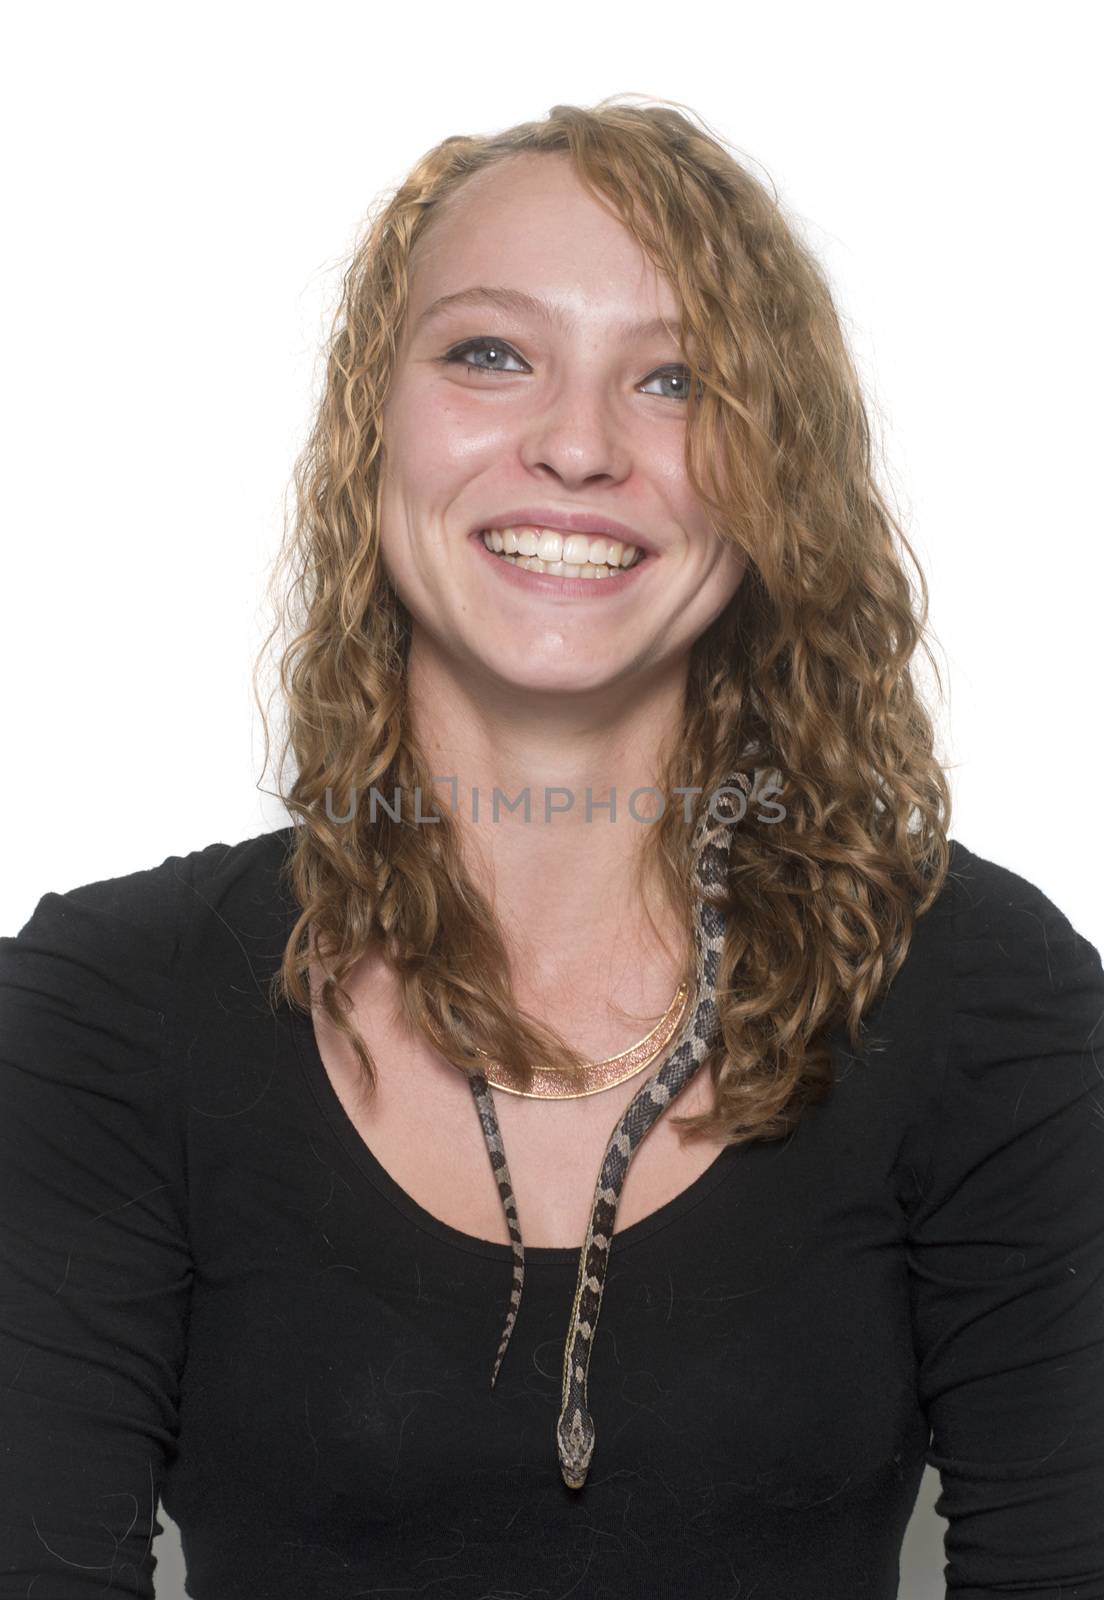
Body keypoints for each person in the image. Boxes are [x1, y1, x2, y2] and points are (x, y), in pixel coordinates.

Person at [2, 95, 1102, 1600]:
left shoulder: (985, 993)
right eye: (491, 353)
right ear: (370, 424)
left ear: (772, 470)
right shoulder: (101, 1010)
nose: (578, 444)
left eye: (675, 378)